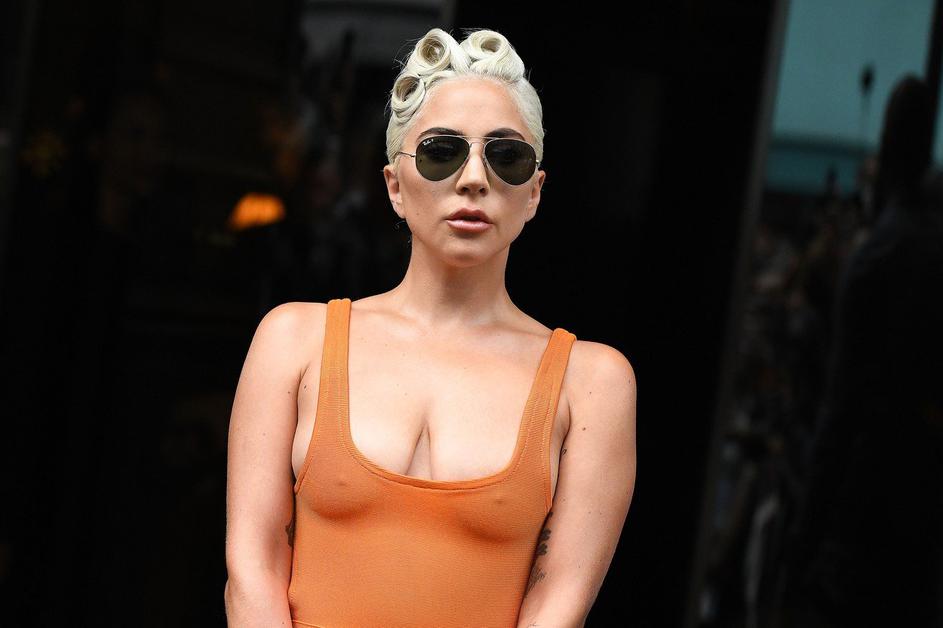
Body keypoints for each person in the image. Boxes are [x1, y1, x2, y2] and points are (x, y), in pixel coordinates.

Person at [224, 27, 637, 628]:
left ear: (534, 194)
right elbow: (251, 568)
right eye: (442, 152)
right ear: (394, 185)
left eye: (507, 157)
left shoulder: (593, 382)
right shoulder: (293, 341)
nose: (474, 178)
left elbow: (559, 607)